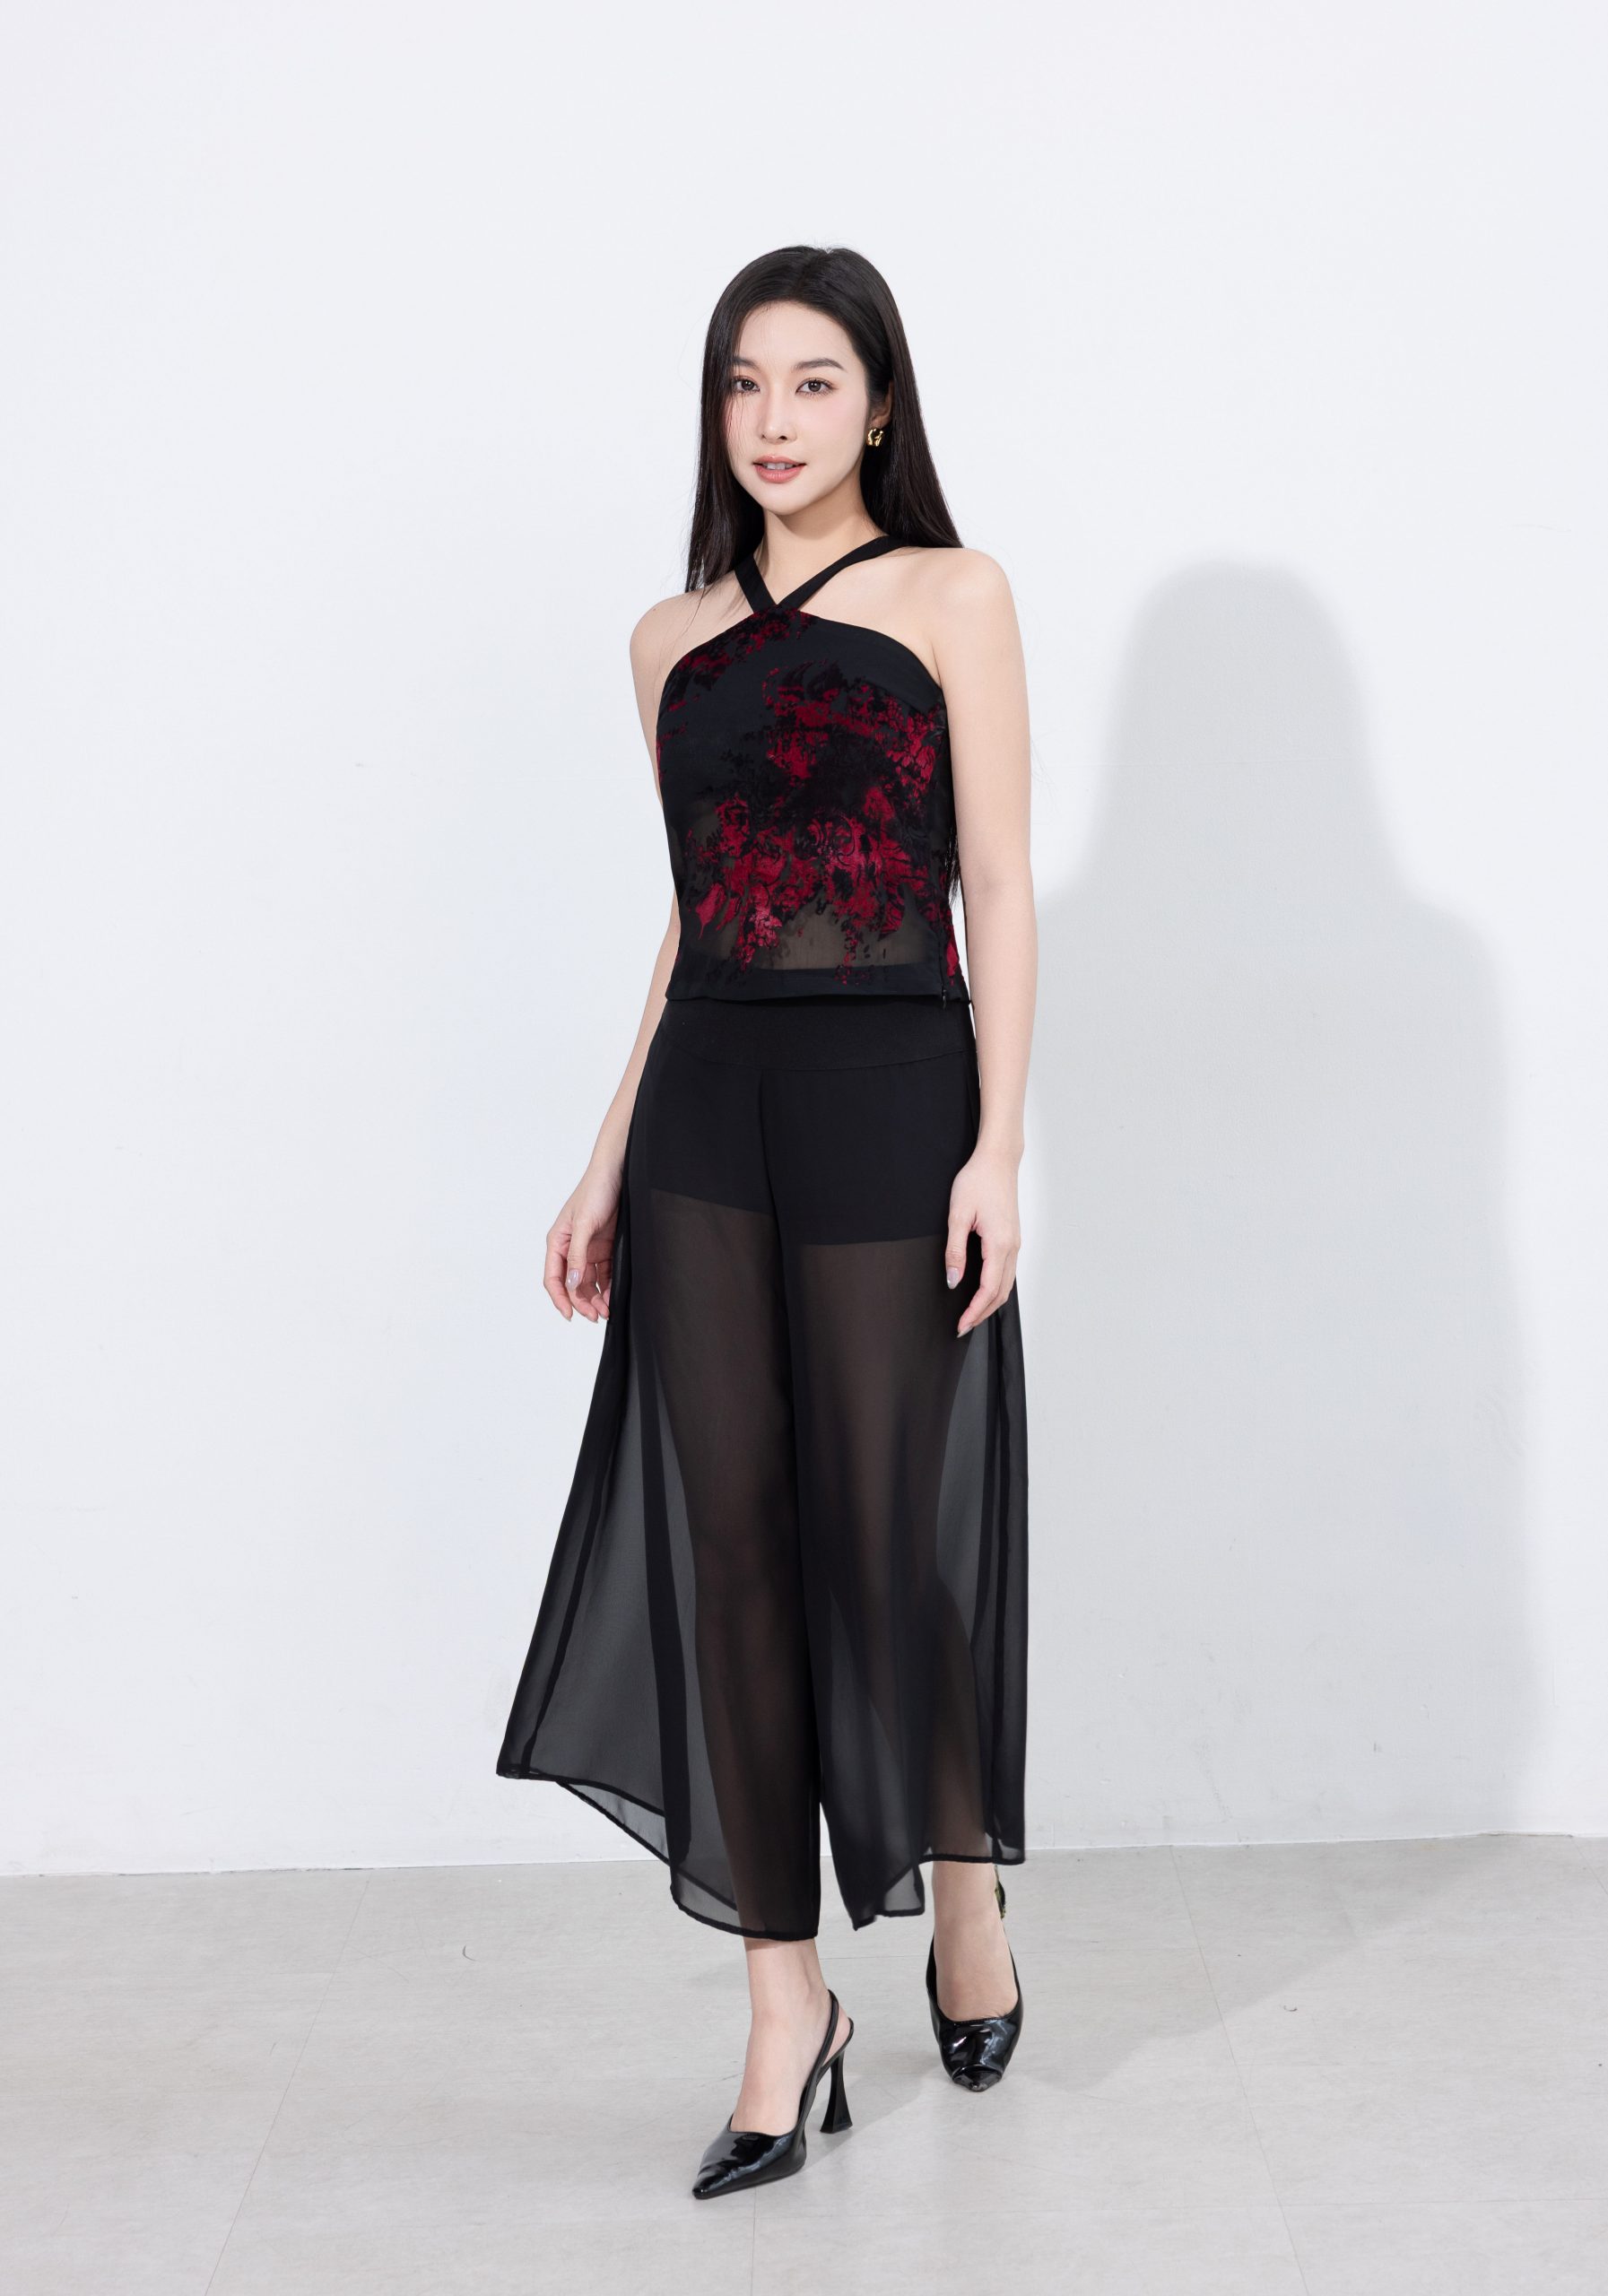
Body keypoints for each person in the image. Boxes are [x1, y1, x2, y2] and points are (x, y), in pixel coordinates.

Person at [496, 243, 1034, 2198]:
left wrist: (998, 1145)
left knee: (882, 1528)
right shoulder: (670, 639)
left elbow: (996, 882)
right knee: (729, 1536)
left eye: (814, 382)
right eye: (744, 384)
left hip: (895, 1087)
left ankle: (962, 1892)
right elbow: (696, 912)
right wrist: (602, 1153)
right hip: (710, 1106)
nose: (776, 420)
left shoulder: (954, 594)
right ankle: (783, 2007)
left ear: (879, 405)